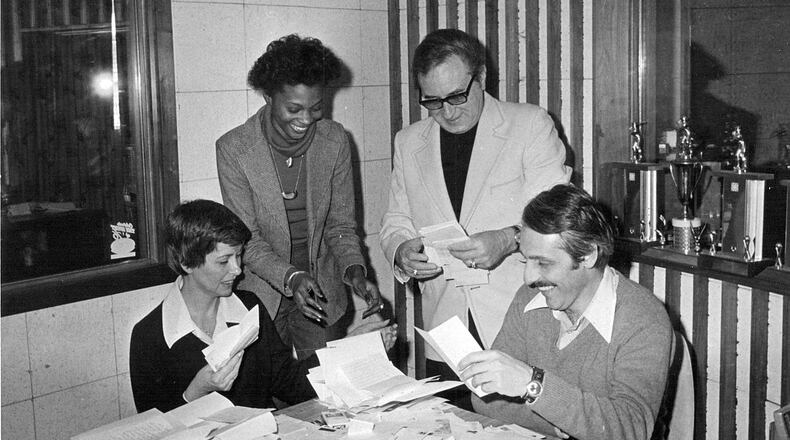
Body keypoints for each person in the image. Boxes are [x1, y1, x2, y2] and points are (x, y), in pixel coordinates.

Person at [380, 29, 571, 387]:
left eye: (456, 96)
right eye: (433, 102)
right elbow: (396, 221)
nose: (448, 112)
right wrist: (402, 252)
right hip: (445, 326)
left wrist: (510, 238)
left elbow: (560, 217)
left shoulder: (529, 125)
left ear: (481, 78)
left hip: (518, 316)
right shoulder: (408, 143)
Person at [216, 34, 386, 360]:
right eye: (294, 108)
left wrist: (355, 271)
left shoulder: (334, 140)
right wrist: (292, 278)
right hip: (263, 295)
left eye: (316, 108)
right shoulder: (234, 150)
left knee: (326, 386)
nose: (306, 120)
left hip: (322, 294)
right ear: (268, 96)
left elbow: (340, 225)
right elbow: (245, 240)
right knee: (274, 398)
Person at [458, 185, 672, 440]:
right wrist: (558, 426)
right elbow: (485, 398)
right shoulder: (528, 300)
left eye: (544, 263)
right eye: (526, 260)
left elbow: (630, 430)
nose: (529, 278)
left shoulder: (643, 318)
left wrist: (532, 385)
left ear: (588, 256)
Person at [129, 200, 316, 412]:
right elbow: (156, 426)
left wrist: (341, 362)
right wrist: (197, 390)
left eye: (238, 256)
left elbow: (288, 379)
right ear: (186, 263)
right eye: (223, 261)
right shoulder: (149, 335)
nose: (237, 270)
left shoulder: (249, 306)